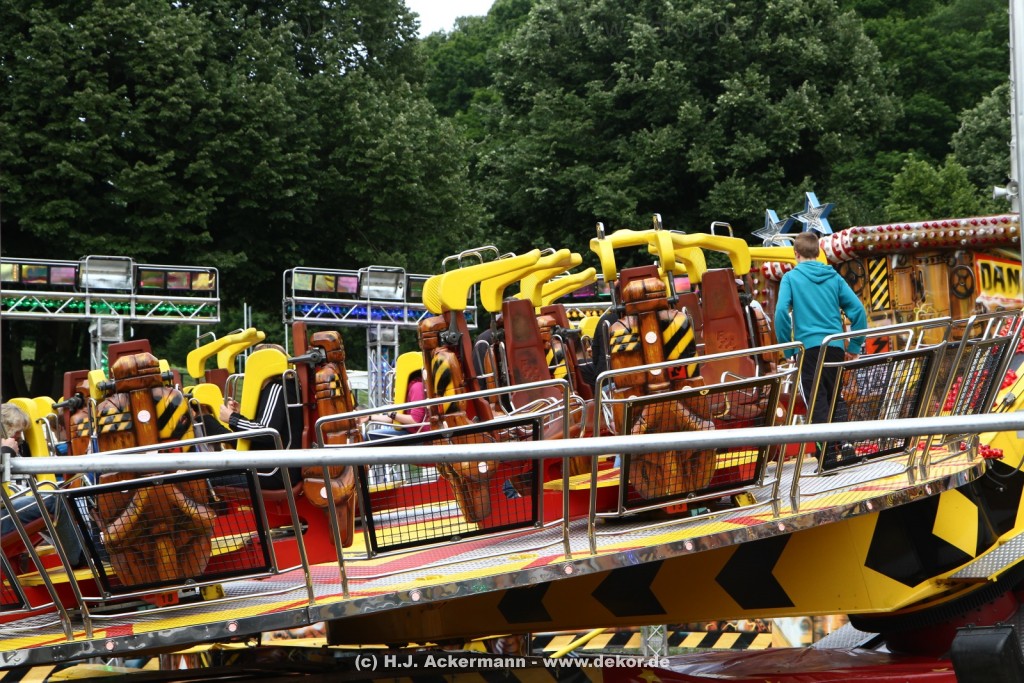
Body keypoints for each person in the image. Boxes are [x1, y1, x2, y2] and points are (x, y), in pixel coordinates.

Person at [773, 231, 867, 464]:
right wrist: (854, 346)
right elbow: (858, 311)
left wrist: (788, 349)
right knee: (836, 397)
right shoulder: (833, 277)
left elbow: (781, 313)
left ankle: (826, 456)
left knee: (816, 400)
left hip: (809, 350)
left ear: (796, 253)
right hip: (835, 347)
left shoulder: (791, 279)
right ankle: (846, 445)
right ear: (818, 252)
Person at [205, 344, 304, 490]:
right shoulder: (285, 387)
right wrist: (240, 413)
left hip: (273, 472)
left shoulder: (276, 388)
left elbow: (267, 432)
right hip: (274, 467)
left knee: (203, 477)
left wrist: (232, 418)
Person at [1, 403, 84, 567]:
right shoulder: (6, 450)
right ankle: (78, 558)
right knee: (54, 499)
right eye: (17, 431)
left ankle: (81, 547)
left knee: (52, 498)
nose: (20, 436)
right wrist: (6, 452)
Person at [362, 370, 429, 440]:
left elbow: (415, 420)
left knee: (369, 436)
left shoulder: (417, 387)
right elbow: (395, 418)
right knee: (369, 434)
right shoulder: (409, 388)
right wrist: (370, 417)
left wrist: (392, 414)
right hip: (411, 431)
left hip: (418, 435)